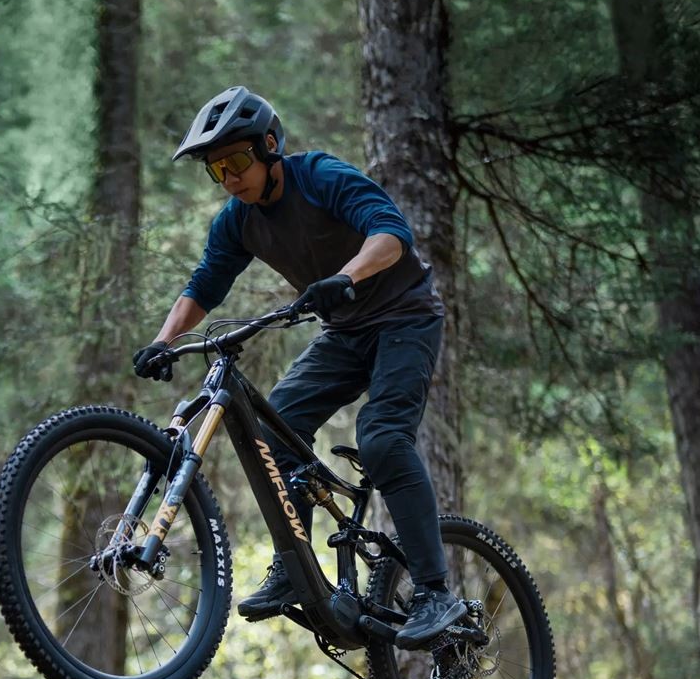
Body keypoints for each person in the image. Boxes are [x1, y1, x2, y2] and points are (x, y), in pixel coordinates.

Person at [132, 85, 466, 648]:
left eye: (237, 161)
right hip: (346, 332)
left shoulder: (321, 177)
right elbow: (203, 288)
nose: (230, 177)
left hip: (405, 318)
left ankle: (436, 591)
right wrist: (164, 340)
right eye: (218, 169)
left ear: (268, 146)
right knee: (274, 432)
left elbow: (392, 235)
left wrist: (347, 276)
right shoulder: (236, 221)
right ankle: (295, 567)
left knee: (383, 439)